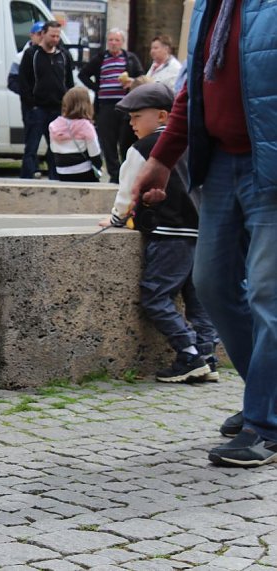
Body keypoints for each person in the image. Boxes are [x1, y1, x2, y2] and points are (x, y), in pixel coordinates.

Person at [130, 0, 277, 467]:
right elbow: (193, 90)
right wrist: (161, 160)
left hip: (270, 166)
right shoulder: (210, 7)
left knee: (268, 293)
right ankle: (267, 398)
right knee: (212, 284)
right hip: (220, 165)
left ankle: (266, 425)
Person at [100, 83, 218, 386]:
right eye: (130, 118)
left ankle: (189, 354)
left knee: (155, 295)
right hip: (199, 230)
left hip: (169, 232)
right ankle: (207, 355)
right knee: (197, 299)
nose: (131, 123)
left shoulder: (143, 149)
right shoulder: (193, 144)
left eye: (137, 116)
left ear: (163, 115)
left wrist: (116, 218)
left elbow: (129, 192)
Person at [78, 28, 144, 183]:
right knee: (108, 142)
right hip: (106, 106)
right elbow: (83, 74)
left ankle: (127, 174)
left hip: (126, 106)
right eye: (111, 40)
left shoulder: (130, 58)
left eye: (117, 40)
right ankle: (115, 175)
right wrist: (97, 88)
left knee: (126, 141)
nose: (113, 43)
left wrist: (132, 82)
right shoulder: (101, 58)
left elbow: (141, 77)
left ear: (122, 42)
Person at [18, 21, 74, 180]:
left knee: (56, 148)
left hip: (58, 109)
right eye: (52, 36)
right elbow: (23, 82)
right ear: (43, 34)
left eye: (57, 36)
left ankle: (55, 179)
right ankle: (26, 179)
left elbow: (69, 82)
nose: (55, 39)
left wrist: (67, 106)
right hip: (37, 109)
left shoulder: (64, 55)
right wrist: (31, 104)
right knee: (31, 147)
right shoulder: (31, 54)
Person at [49, 87, 102, 183]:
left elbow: (53, 149)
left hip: (61, 172)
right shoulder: (86, 126)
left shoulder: (53, 125)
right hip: (83, 173)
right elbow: (95, 154)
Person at [8, 21, 44, 96]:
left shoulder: (54, 55)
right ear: (32, 35)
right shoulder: (20, 57)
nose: (42, 37)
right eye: (39, 34)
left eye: (44, 34)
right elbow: (12, 81)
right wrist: (26, 93)